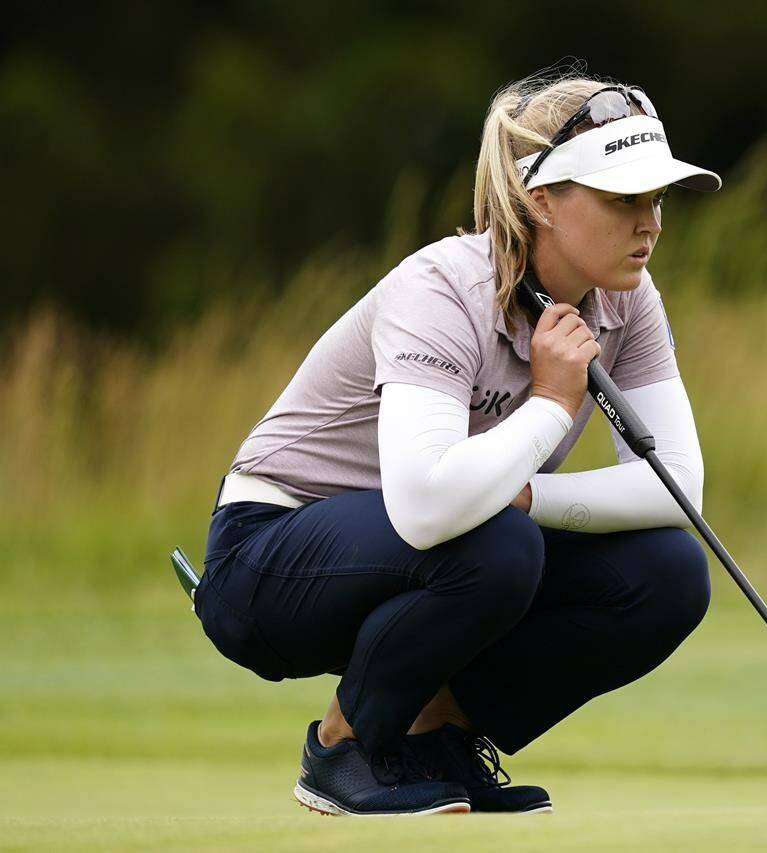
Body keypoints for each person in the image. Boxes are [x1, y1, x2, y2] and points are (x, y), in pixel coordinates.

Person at [194, 71, 723, 817]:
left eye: (657, 199)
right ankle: (342, 746)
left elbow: (677, 488)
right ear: (540, 198)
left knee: (668, 572)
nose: (652, 223)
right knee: (500, 543)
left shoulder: (626, 299)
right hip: (268, 557)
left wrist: (530, 491)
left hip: (439, 548)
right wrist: (548, 404)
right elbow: (424, 507)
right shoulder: (443, 288)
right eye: (623, 199)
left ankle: (437, 738)